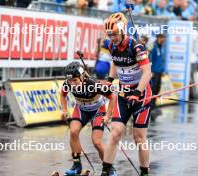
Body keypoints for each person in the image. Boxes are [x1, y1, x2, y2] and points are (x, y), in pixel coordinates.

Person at [101, 12, 152, 176]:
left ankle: (145, 172)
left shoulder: (137, 47)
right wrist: (110, 80)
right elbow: (115, 63)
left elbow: (147, 73)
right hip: (123, 93)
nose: (112, 37)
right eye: (110, 34)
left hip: (141, 94)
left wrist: (137, 92)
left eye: (115, 34)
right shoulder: (111, 46)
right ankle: (106, 171)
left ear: (123, 31)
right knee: (115, 131)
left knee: (138, 137)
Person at [60, 61, 117, 175]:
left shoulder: (93, 84)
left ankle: (109, 168)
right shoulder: (67, 83)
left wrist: (108, 115)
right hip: (81, 109)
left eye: (75, 80)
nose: (72, 84)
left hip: (97, 111)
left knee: (97, 142)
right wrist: (65, 110)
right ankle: (77, 165)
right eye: (70, 81)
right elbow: (63, 94)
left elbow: (113, 97)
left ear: (82, 76)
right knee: (73, 131)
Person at [149, 33, 166, 117]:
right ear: (158, 38)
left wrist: (163, 70)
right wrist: (151, 71)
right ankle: (149, 108)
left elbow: (162, 60)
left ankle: (153, 107)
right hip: (154, 73)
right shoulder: (154, 47)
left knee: (157, 90)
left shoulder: (162, 47)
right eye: (161, 38)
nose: (163, 39)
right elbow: (150, 59)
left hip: (159, 72)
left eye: (164, 38)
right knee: (152, 90)